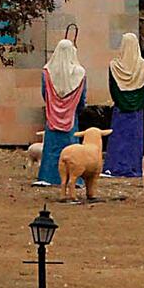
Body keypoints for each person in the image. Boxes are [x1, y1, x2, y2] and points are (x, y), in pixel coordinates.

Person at [34, 36, 86, 185]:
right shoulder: (80, 73)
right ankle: (72, 177)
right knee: (71, 148)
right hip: (71, 118)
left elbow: (44, 94)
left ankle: (49, 176)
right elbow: (82, 98)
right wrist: (75, 110)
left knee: (52, 148)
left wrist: (53, 106)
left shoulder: (47, 72)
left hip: (52, 117)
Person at [103, 32, 144, 177]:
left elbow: (113, 89)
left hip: (120, 110)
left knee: (118, 138)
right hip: (137, 112)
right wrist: (138, 105)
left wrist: (121, 103)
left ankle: (115, 167)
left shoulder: (114, 66)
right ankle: (133, 166)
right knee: (134, 139)